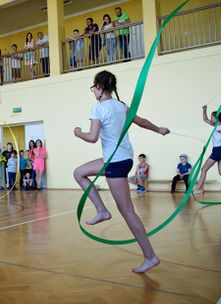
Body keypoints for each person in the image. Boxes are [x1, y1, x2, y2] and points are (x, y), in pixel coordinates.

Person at [73, 70, 170, 273]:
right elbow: (141, 121)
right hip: (122, 159)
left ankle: (150, 257)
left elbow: (92, 137)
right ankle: (101, 210)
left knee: (127, 211)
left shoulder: (98, 109)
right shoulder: (121, 106)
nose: (93, 92)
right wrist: (159, 129)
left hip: (115, 163)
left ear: (99, 87)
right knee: (79, 173)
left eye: (93, 88)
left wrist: (78, 132)